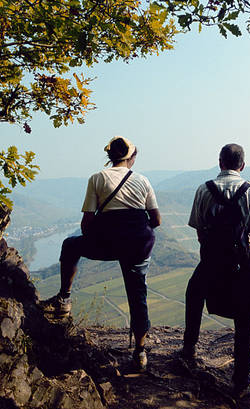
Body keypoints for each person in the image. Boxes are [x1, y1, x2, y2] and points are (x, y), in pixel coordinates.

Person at [40, 136, 161, 370]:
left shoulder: (97, 178)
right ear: (131, 158)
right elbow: (156, 220)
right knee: (138, 295)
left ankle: (64, 298)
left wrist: (105, 237)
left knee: (70, 245)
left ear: (110, 157)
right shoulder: (143, 181)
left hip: (108, 244)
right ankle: (140, 352)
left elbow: (86, 223)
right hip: (137, 246)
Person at [180, 143, 250, 398]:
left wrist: (212, 254)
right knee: (245, 320)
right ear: (242, 165)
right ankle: (241, 382)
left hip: (212, 261)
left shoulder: (203, 189)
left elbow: (199, 230)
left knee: (194, 293)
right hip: (244, 264)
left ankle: (189, 348)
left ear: (220, 162)